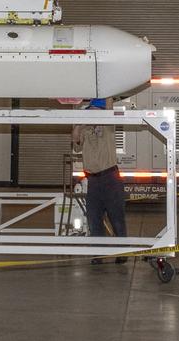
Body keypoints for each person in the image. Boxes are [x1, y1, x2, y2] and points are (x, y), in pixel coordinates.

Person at [72, 98, 128, 263]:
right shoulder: (85, 130)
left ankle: (122, 253)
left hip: (110, 178)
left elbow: (109, 109)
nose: (92, 114)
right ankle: (99, 254)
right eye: (90, 111)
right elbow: (75, 142)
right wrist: (79, 124)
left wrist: (107, 94)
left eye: (96, 111)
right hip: (93, 181)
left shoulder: (108, 127)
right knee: (94, 219)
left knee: (116, 217)